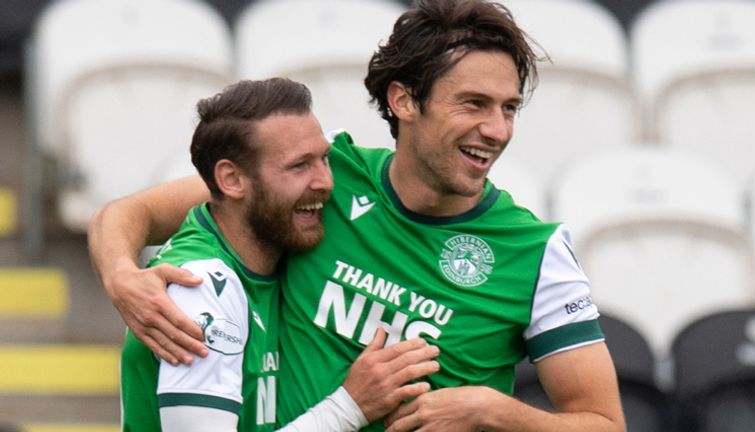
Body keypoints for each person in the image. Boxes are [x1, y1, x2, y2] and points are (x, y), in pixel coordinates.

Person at [89, 1, 627, 431]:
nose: (498, 130)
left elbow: (604, 423)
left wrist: (493, 411)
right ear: (404, 100)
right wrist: (120, 275)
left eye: (508, 108)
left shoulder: (537, 251)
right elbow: (131, 212)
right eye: (473, 104)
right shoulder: (326, 177)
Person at [116, 78, 439, 431]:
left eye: (324, 160)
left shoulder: (264, 258)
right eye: (299, 166)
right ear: (232, 179)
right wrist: (350, 406)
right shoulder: (202, 288)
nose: (326, 182)